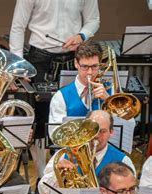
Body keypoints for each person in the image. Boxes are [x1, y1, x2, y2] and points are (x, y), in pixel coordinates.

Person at [10, 0, 100, 177]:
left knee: (73, 113)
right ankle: (44, 175)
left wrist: (81, 35)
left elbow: (94, 20)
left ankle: (75, 169)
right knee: (42, 121)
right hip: (40, 58)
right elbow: (17, 27)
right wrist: (18, 64)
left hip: (73, 58)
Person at [39, 110, 135, 194]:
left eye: (102, 131)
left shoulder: (123, 161)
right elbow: (43, 192)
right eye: (92, 130)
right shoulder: (64, 154)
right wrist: (57, 175)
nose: (96, 135)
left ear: (111, 132)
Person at [49, 40, 111, 136]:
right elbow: (55, 134)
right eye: (85, 66)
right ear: (76, 63)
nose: (90, 72)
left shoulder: (111, 91)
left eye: (94, 66)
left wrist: (108, 100)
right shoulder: (61, 96)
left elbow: (127, 123)